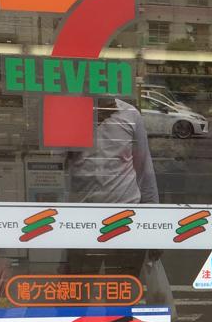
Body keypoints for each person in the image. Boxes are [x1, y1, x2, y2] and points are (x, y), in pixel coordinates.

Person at [64, 96, 161, 282]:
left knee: (122, 290)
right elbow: (56, 161)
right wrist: (88, 121)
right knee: (77, 289)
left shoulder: (130, 114)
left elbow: (145, 171)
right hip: (83, 221)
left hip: (125, 219)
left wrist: (154, 229)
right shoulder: (71, 112)